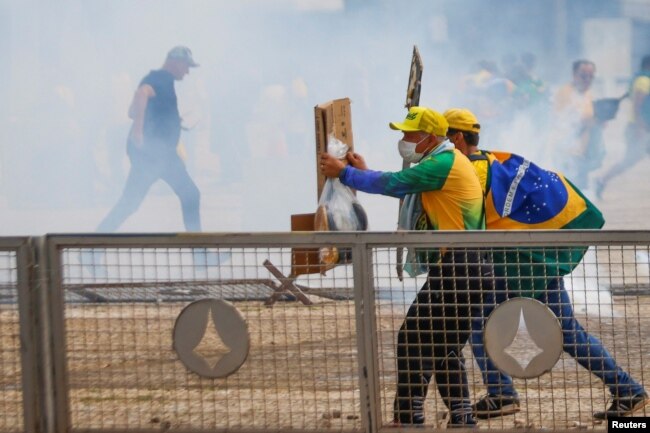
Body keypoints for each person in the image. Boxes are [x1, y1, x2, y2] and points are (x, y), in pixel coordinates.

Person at [443, 107, 650, 420]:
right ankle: (626, 390)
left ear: (457, 138)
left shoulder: (472, 171)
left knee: (482, 324)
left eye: (444, 141)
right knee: (566, 333)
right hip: (532, 261)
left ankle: (503, 394)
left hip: (517, 265)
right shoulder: (492, 160)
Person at [320, 106, 493, 428]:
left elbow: (396, 184)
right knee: (444, 346)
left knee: (412, 337)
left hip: (459, 268)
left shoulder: (444, 162)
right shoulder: (441, 161)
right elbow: (403, 185)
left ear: (429, 137)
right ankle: (461, 417)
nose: (403, 140)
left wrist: (343, 172)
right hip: (468, 267)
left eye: (408, 134)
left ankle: (408, 417)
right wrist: (363, 171)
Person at [96, 46, 202, 233]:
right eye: (186, 67)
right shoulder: (160, 78)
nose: (187, 72)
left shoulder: (161, 80)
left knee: (130, 203)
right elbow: (142, 93)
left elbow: (131, 111)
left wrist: (167, 119)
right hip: (156, 155)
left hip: (156, 154)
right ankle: (201, 254)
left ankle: (91, 247)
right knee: (190, 195)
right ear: (175, 62)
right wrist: (138, 131)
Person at [595, 55, 650, 199]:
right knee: (629, 160)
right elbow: (637, 106)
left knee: (630, 160)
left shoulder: (641, 79)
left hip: (641, 127)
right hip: (639, 128)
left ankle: (601, 180)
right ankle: (601, 180)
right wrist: (640, 127)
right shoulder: (644, 81)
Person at [548, 60, 604, 190]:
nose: (587, 80)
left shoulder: (587, 94)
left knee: (578, 193)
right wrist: (590, 121)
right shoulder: (566, 93)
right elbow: (561, 121)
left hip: (581, 152)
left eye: (591, 76)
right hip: (566, 152)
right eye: (583, 76)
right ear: (574, 75)